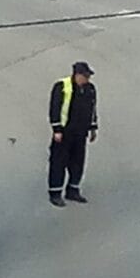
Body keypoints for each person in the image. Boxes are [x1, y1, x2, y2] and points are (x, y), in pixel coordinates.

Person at [47, 62, 98, 207]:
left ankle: (73, 190)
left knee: (77, 163)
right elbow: (54, 108)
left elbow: (93, 109)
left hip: (80, 133)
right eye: (85, 76)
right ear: (77, 75)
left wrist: (93, 128)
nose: (87, 79)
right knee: (58, 163)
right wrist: (56, 129)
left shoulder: (90, 89)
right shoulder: (62, 87)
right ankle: (55, 193)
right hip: (64, 133)